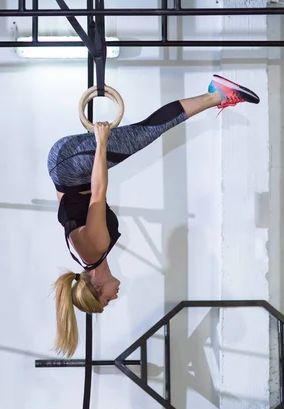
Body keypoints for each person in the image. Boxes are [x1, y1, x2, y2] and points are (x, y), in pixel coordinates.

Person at [47, 74, 260, 357]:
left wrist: (100, 143)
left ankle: (217, 94)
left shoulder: (95, 247)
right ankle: (214, 95)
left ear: (97, 287)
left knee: (147, 131)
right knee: (143, 133)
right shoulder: (84, 254)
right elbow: (66, 199)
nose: (114, 298)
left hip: (72, 165)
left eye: (107, 300)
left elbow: (97, 192)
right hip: (64, 167)